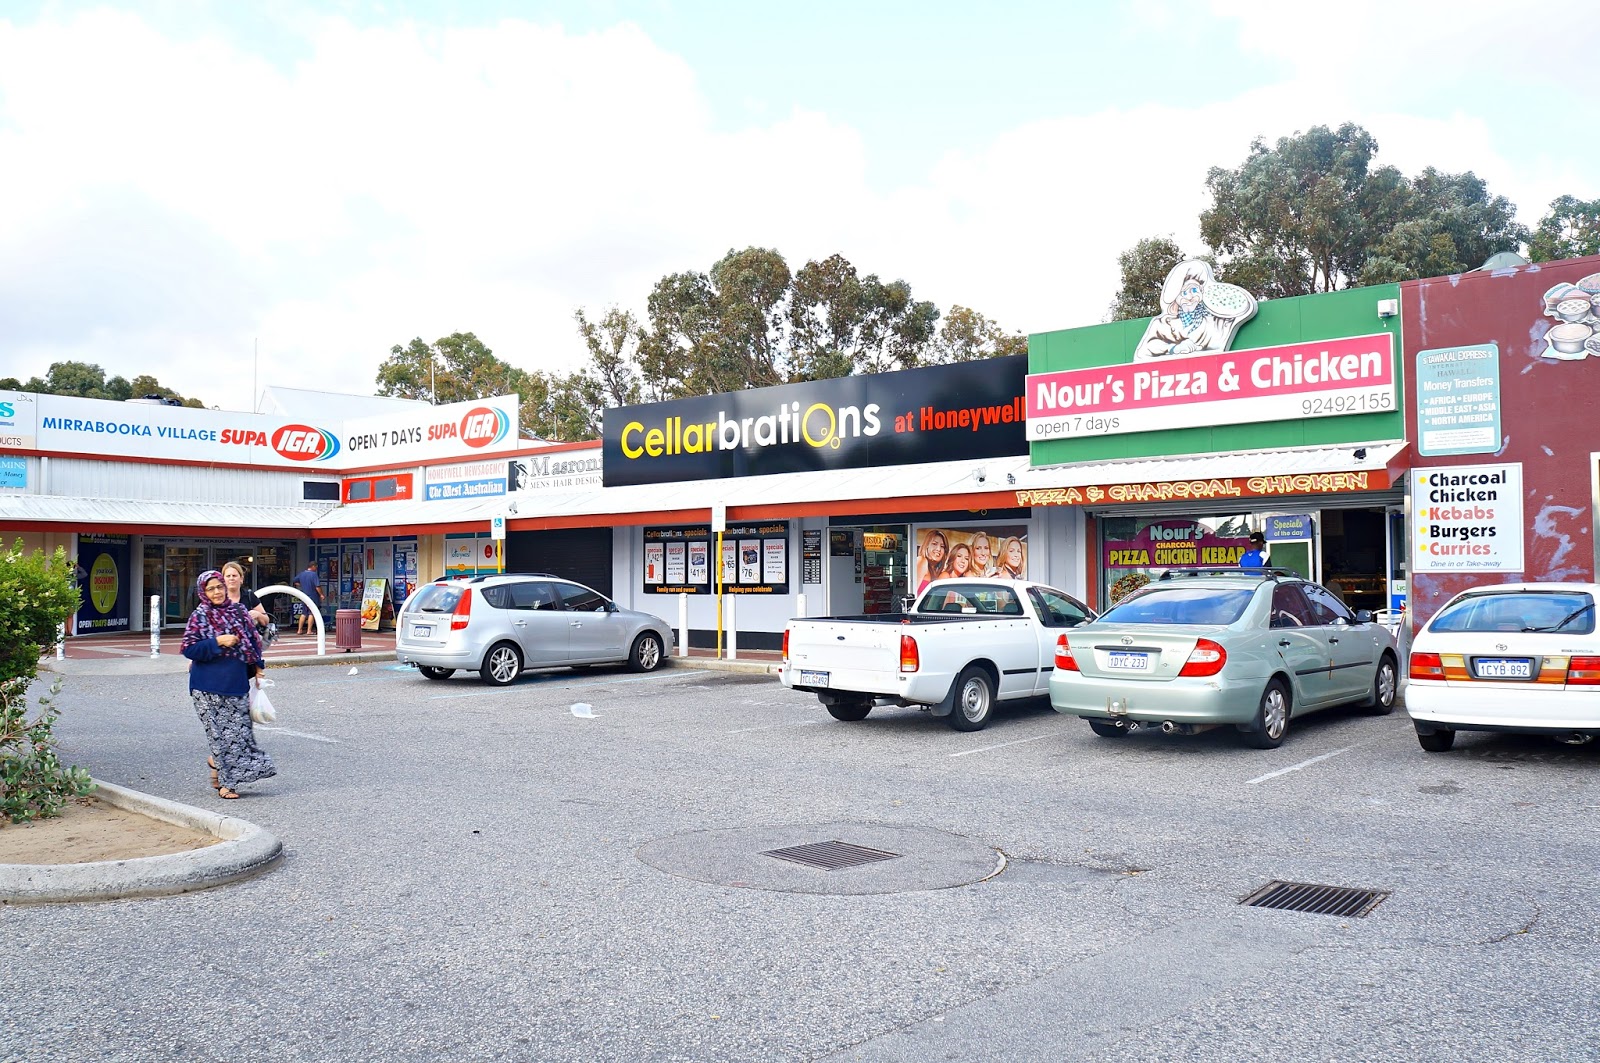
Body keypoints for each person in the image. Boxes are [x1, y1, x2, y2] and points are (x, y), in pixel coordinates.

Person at [182, 569, 274, 800]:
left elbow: (254, 643)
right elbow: (189, 649)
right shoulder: (199, 615)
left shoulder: (239, 611)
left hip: (236, 683)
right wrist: (217, 642)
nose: (217, 592)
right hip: (205, 687)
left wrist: (259, 669)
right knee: (219, 737)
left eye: (219, 587)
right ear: (203, 592)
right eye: (210, 589)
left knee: (238, 737)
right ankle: (227, 785)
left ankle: (216, 763)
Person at [1134, 259, 1257, 361]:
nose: (1189, 297)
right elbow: (1144, 352)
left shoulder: (1218, 321)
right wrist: (1173, 348)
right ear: (1175, 298)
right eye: (1183, 293)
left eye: (1194, 290)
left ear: (1202, 291)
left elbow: (1244, 308)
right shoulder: (1161, 324)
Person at [221, 560, 270, 634]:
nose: (231, 578)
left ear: (241, 579)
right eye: (228, 576)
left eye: (234, 576)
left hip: (249, 639)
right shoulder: (218, 598)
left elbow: (266, 621)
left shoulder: (249, 596)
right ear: (223, 579)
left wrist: (258, 615)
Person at [292, 560, 323, 635]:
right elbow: (317, 586)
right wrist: (321, 594)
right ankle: (309, 630)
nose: (316, 568)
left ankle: (299, 630)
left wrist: (301, 585)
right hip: (313, 596)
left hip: (304, 596)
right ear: (313, 566)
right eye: (316, 567)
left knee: (304, 613)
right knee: (311, 613)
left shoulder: (302, 574)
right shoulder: (313, 575)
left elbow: (294, 581)